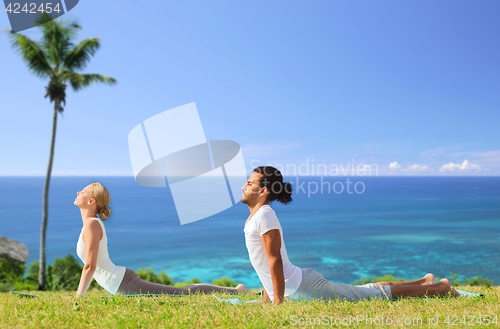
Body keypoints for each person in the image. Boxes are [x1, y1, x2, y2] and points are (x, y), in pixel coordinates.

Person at [241, 166, 460, 305]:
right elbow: (264, 265)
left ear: (263, 191)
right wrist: (268, 298)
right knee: (364, 291)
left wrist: (277, 303)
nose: (244, 186)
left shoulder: (265, 215)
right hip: (296, 287)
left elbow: (274, 260)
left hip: (302, 288)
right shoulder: (257, 216)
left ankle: (440, 288)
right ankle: (424, 281)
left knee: (372, 297)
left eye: (249, 183)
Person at [74, 182, 248, 297]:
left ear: (91, 201)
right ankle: (234, 290)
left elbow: (90, 266)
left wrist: (78, 297)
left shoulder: (92, 225)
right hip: (120, 282)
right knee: (181, 292)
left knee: (182, 293)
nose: (77, 192)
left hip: (123, 284)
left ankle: (236, 291)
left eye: (81, 192)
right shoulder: (90, 224)